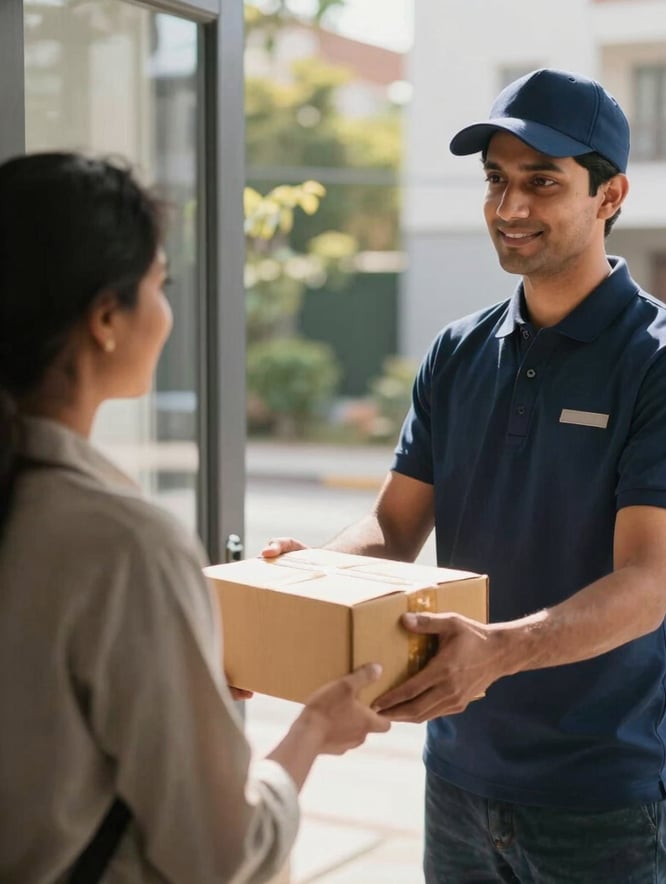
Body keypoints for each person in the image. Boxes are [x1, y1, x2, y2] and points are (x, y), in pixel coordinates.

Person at [263, 69, 666, 883]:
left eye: (542, 183)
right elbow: (392, 527)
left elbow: (646, 585)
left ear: (609, 194)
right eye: (497, 181)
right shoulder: (456, 353)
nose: (511, 208)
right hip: (456, 781)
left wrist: (496, 653)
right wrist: (313, 579)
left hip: (601, 804)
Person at [0, 152, 390, 883]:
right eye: (160, 284)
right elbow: (219, 853)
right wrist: (312, 730)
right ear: (108, 318)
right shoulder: (122, 545)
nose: (169, 310)